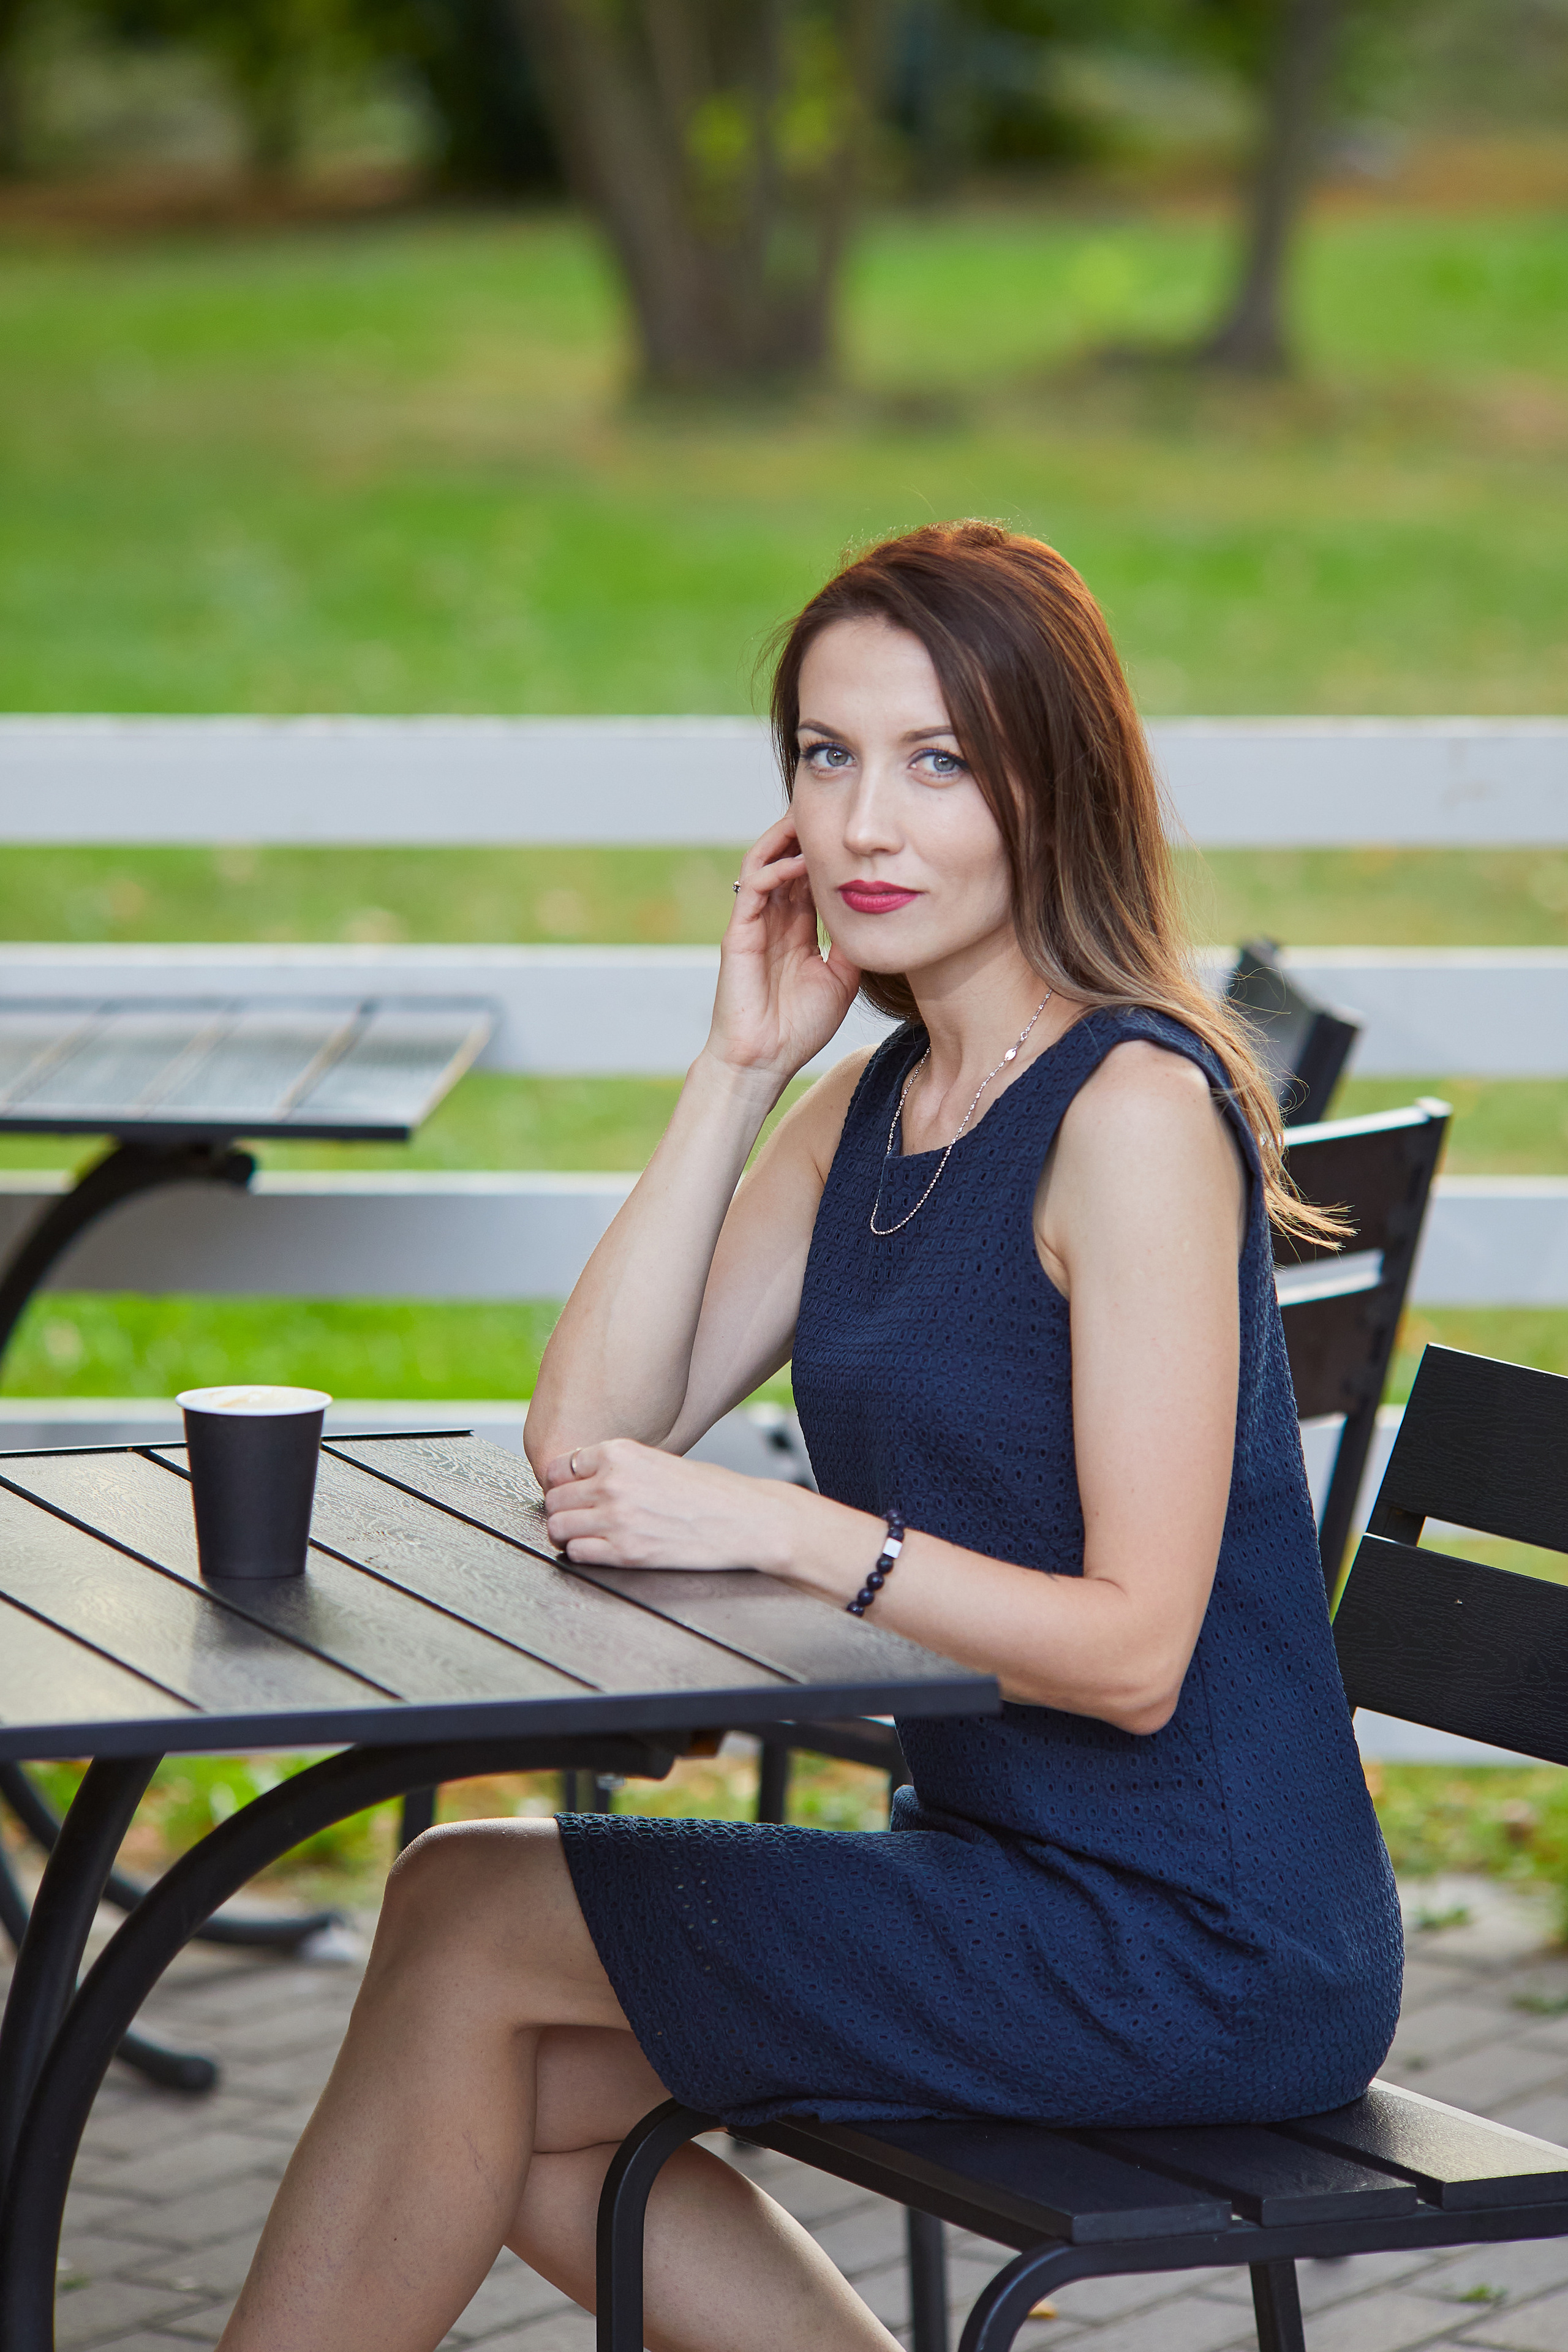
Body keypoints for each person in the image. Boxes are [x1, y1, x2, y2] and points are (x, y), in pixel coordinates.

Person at [219, 522, 1401, 2352]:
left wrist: (780, 1534)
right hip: (1006, 1865)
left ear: (1053, 786)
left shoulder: (1135, 1112)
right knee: (519, 2101)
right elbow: (590, 1433)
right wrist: (736, 1063)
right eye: (827, 757)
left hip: (1203, 1938)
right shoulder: (877, 1101)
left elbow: (1140, 1655)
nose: (865, 826)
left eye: (937, 762)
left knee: (467, 1917)